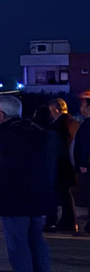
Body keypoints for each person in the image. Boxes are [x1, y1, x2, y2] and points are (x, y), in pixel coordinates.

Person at [0, 94, 54, 272]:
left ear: (0, 114)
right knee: (37, 242)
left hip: (14, 199)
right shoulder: (37, 132)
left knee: (18, 244)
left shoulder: (4, 135)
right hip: (39, 197)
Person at [46, 97, 80, 233]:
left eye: (51, 111)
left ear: (55, 109)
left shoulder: (58, 126)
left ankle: (68, 221)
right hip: (71, 164)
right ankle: (68, 221)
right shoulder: (75, 123)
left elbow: (56, 148)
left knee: (63, 195)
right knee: (66, 194)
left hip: (61, 165)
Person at [75, 93, 90, 210]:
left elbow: (84, 145)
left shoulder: (87, 125)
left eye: (83, 105)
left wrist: (83, 163)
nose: (80, 108)